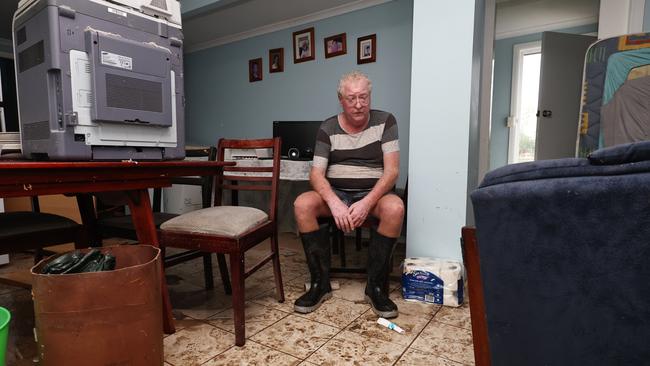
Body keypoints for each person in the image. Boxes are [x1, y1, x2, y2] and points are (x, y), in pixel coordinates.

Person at [293, 71, 404, 318]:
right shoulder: (327, 127)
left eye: (363, 97)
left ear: (369, 96)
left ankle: (375, 287)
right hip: (337, 194)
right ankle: (320, 284)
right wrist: (334, 202)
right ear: (341, 99)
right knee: (302, 204)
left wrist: (366, 202)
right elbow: (315, 175)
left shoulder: (386, 121)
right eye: (351, 98)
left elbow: (392, 171)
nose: (358, 104)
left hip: (372, 195)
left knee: (395, 208)